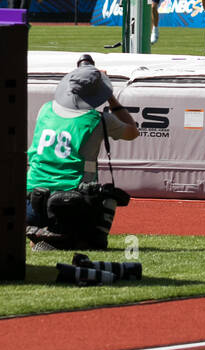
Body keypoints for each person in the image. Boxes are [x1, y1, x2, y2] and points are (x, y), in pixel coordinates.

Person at [25, 63, 139, 252]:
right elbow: (132, 132)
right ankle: (70, 237)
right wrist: (110, 97)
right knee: (109, 198)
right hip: (71, 201)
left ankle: (42, 232)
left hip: (31, 199)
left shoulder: (45, 109)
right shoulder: (99, 120)